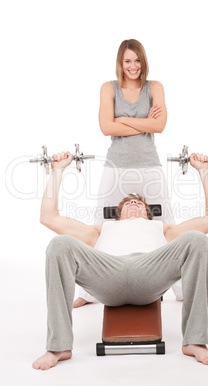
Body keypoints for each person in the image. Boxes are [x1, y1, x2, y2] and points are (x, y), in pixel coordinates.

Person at [32, 150, 208, 370]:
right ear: (118, 213)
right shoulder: (99, 230)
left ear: (149, 213)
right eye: (128, 202)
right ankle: (58, 347)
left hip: (151, 271)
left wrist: (204, 171)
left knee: (198, 240)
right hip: (107, 273)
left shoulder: (164, 229)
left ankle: (195, 341)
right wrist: (57, 171)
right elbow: (48, 217)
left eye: (139, 203)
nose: (134, 202)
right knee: (59, 244)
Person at [74, 38, 180, 308]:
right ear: (120, 64)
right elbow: (106, 128)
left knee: (168, 224)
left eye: (137, 60)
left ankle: (181, 290)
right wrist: (145, 123)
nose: (133, 66)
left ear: (143, 61)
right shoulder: (108, 88)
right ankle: (88, 293)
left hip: (149, 165)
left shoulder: (154, 87)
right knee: (100, 223)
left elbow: (161, 125)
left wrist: (124, 120)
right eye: (127, 61)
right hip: (116, 166)